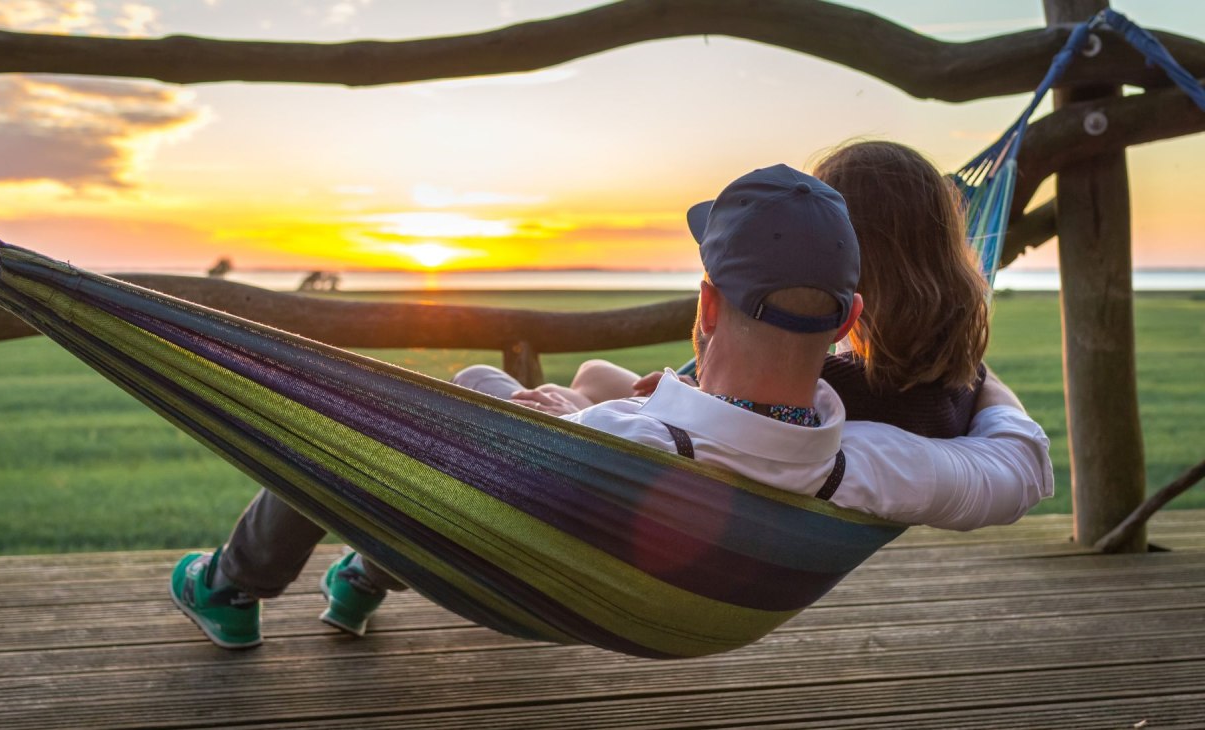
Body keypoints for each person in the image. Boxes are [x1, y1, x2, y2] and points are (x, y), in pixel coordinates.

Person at [170, 163, 1053, 650]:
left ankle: (234, 582)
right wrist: (971, 369)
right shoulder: (875, 462)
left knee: (369, 426)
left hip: (532, 533)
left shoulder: (619, 436)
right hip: (672, 569)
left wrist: (555, 411)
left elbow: (560, 448)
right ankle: (362, 575)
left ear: (708, 306)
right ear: (847, 318)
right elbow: (1021, 464)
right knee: (507, 400)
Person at [526, 141, 991, 440]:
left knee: (581, 383)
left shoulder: (829, 387)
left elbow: (735, 423)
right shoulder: (955, 379)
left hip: (693, 456)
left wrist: (582, 414)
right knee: (597, 374)